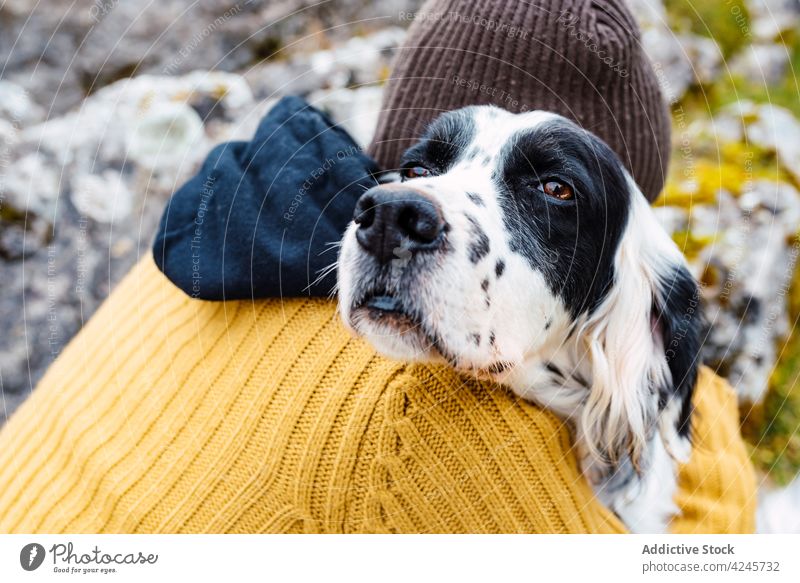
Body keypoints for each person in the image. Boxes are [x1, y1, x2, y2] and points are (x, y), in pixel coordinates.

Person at [0, 0, 756, 533]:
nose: (402, 214)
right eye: (429, 168)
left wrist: (682, 400)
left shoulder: (237, 231)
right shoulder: (423, 440)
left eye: (553, 190)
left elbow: (686, 422)